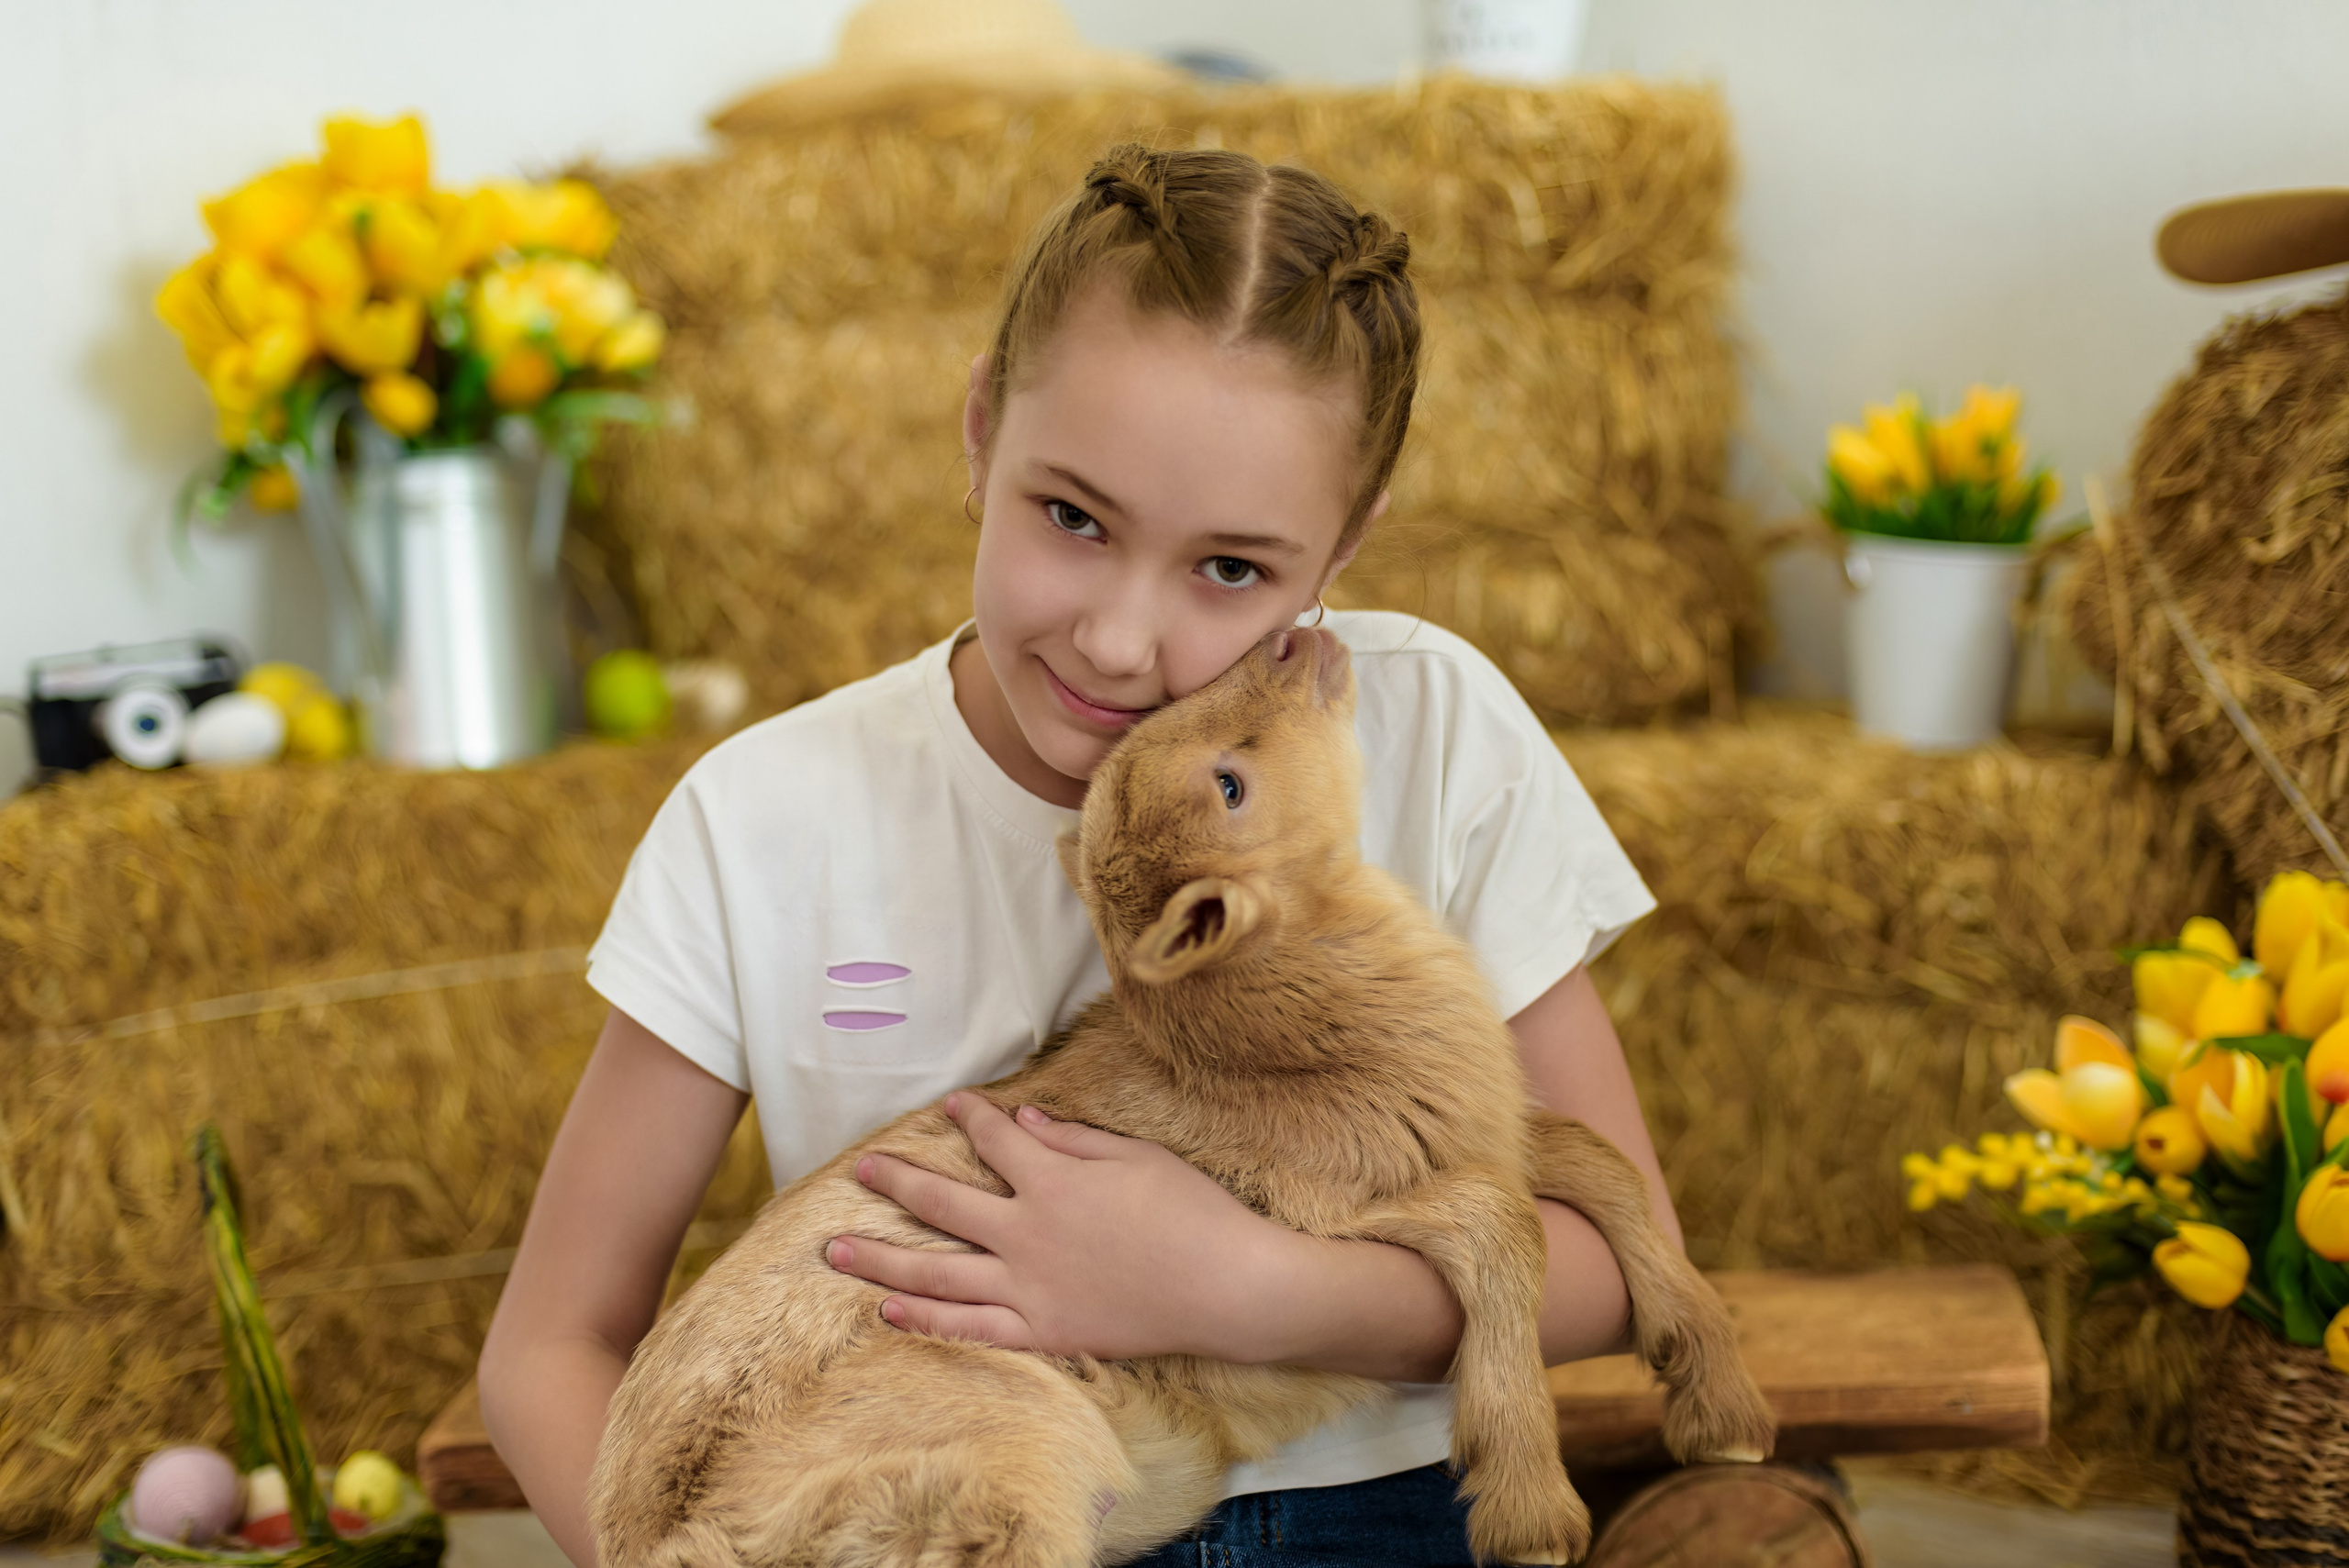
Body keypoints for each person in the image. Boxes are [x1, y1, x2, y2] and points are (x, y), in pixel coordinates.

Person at [478, 141, 1678, 1568]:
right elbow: (552, 1342)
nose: (1116, 640)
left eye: (1230, 568)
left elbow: (1614, 1263)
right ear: (982, 428)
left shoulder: (1439, 733)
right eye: (1072, 518)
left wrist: (1245, 1289)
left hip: (1389, 1515)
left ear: (1344, 545)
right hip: (952, 1513)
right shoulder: (761, 815)